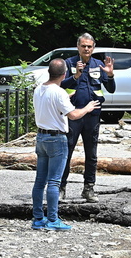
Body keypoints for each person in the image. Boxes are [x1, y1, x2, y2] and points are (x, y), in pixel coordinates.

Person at [32, 58, 100, 231]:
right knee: (54, 182)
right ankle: (53, 219)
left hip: (41, 137)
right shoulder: (59, 92)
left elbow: (52, 103)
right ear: (64, 74)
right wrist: (88, 107)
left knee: (40, 181)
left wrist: (67, 98)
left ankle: (38, 218)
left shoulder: (39, 89)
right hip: (57, 139)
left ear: (49, 72)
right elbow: (74, 115)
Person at [60, 32, 116, 203]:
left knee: (91, 154)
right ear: (78, 47)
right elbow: (60, 86)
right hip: (73, 114)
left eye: (89, 46)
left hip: (93, 115)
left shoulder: (99, 65)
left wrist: (111, 74)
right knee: (66, 152)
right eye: (83, 46)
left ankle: (88, 188)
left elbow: (111, 89)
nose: (86, 49)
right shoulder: (68, 63)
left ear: (93, 48)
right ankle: (61, 188)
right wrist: (75, 75)